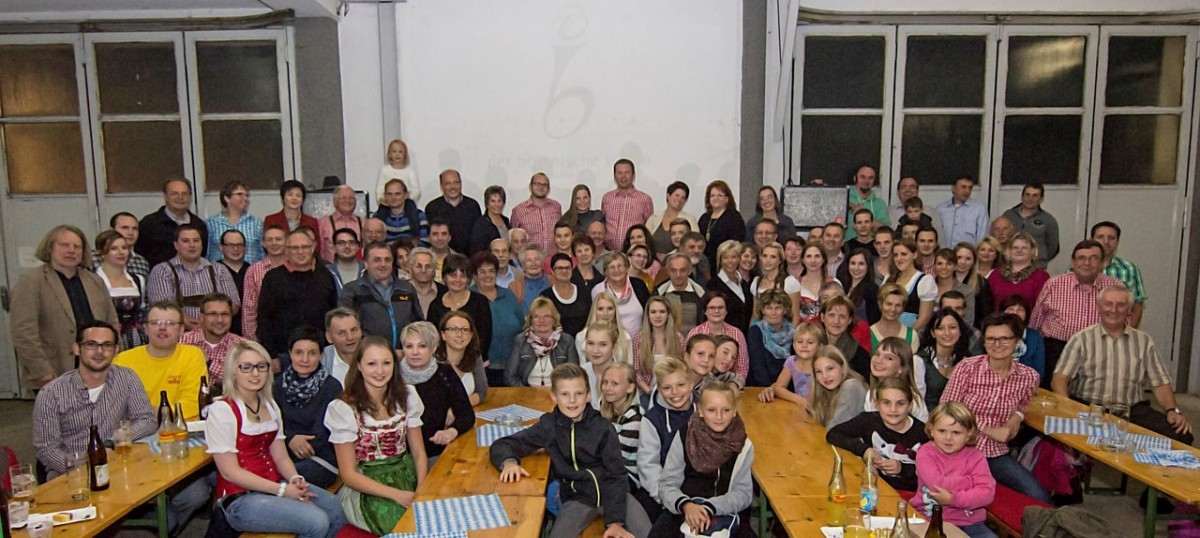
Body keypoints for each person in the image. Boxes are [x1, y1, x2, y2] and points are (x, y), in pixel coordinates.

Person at [206, 340, 347, 538]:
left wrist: (295, 478)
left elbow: (280, 457)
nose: (255, 373)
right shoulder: (222, 410)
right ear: (233, 372)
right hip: (239, 498)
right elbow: (230, 473)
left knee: (336, 509)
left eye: (261, 366)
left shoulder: (270, 406)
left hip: (274, 485)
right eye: (246, 367)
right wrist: (281, 490)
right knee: (317, 521)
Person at [491, 363, 651, 538]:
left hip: (616, 495)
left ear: (588, 395)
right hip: (578, 498)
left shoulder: (603, 428)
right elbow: (504, 444)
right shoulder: (549, 426)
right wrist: (509, 463)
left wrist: (615, 522)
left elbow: (617, 475)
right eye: (565, 394)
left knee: (649, 534)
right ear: (554, 396)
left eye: (579, 393)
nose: (572, 400)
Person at [114, 302, 211, 531]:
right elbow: (116, 410)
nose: (162, 328)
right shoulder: (123, 361)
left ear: (182, 330)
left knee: (195, 496)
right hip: (136, 441)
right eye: (155, 322)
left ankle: (166, 526)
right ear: (145, 328)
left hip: (180, 439)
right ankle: (159, 521)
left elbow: (189, 409)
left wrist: (144, 411)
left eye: (170, 323)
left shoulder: (192, 355)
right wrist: (155, 415)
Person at [1052, 286, 1193, 444]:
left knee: (1182, 436)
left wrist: (1172, 410)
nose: (1114, 310)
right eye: (1108, 304)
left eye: (1120, 305)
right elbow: (1059, 378)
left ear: (1129, 310)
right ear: (1099, 307)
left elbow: (1160, 382)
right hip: (1090, 408)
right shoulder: (1081, 339)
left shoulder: (1144, 341)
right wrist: (1067, 407)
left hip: (1132, 410)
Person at [325, 335, 428, 534]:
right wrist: (397, 495)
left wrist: (422, 488)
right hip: (367, 486)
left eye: (386, 363)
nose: (380, 371)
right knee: (404, 526)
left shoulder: (406, 397)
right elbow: (348, 474)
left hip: (407, 473)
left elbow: (418, 452)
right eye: (372, 364)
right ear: (359, 366)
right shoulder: (344, 408)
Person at [942, 312, 1048, 502]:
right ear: (984, 342)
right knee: (963, 497)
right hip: (960, 449)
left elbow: (1024, 404)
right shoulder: (967, 367)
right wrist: (988, 430)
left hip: (995, 453)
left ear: (1017, 341)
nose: (997, 344)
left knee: (1039, 497)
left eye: (1004, 339)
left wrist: (1017, 416)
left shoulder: (1029, 377)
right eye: (991, 339)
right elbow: (946, 410)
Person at [33, 320, 157, 477]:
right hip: (71, 474)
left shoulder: (127, 378)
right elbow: (47, 450)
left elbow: (147, 420)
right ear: (77, 349)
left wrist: (113, 442)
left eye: (107, 345)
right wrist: (87, 465)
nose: (99, 351)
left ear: (116, 350)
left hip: (119, 464)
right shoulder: (51, 394)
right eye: (91, 344)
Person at [12, 226, 118, 388]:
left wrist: (114, 360)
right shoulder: (32, 281)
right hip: (53, 371)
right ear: (50, 248)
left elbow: (112, 322)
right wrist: (41, 370)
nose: (71, 250)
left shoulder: (95, 281)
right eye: (64, 245)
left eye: (77, 246)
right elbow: (23, 332)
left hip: (96, 369)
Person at [652, 380, 755, 538]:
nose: (719, 416)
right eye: (711, 410)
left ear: (734, 411)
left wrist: (709, 507)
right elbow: (667, 483)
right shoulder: (685, 436)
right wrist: (686, 505)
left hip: (725, 511)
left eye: (726, 410)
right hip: (685, 508)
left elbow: (743, 493)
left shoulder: (743, 445)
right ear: (700, 410)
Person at [1029, 240, 1122, 384]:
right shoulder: (1054, 284)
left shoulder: (1115, 287)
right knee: (1055, 393)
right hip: (1056, 351)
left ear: (1103, 262)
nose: (1087, 263)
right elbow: (1036, 321)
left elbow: (1124, 323)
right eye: (1081, 258)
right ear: (1073, 262)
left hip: (1098, 351)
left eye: (1093, 258)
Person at [911, 402, 997, 538]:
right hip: (930, 518)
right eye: (942, 431)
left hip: (971, 522)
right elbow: (937, 485)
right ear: (932, 430)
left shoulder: (976, 456)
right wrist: (970, 482)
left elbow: (987, 494)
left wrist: (952, 499)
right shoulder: (925, 453)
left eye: (956, 432)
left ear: (969, 434)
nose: (948, 438)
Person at [827, 377, 926, 493]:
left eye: (900, 404)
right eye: (886, 403)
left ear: (909, 406)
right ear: (877, 404)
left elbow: (931, 472)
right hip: (873, 487)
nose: (893, 409)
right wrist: (864, 450)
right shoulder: (869, 421)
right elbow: (834, 434)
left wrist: (902, 469)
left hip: (910, 493)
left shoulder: (923, 433)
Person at [398, 322, 475, 465]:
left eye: (422, 346)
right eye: (409, 346)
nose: (415, 352)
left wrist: (451, 432)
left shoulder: (445, 373)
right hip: (399, 459)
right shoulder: (392, 376)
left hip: (436, 453)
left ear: (434, 348)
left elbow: (466, 414)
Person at [258, 229, 337, 361]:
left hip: (321, 353)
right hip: (284, 354)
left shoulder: (325, 275)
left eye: (305, 247)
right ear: (286, 250)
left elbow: (332, 314)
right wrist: (271, 355)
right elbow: (264, 319)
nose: (300, 251)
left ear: (313, 248)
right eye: (295, 248)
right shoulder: (273, 278)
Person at [146, 224, 240, 331]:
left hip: (216, 334)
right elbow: (162, 307)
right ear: (176, 245)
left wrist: (213, 323)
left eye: (196, 240)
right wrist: (191, 325)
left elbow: (234, 304)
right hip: (178, 336)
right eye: (185, 241)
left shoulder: (219, 269)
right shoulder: (162, 271)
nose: (192, 245)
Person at [637, 357, 696, 521]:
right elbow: (648, 466)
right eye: (667, 388)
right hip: (664, 492)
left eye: (681, 385)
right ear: (659, 389)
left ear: (691, 384)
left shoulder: (704, 409)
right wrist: (670, 499)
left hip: (699, 488)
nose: (675, 392)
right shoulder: (652, 420)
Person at [339, 241, 422, 349]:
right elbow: (346, 327)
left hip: (404, 354)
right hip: (369, 354)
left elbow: (419, 324)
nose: (383, 264)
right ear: (366, 263)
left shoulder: (407, 289)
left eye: (387, 260)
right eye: (377, 260)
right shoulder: (352, 290)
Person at [471, 251, 524, 388]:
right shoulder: (470, 298)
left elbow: (522, 326)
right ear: (475, 276)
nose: (488, 275)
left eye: (491, 271)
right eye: (482, 272)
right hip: (481, 368)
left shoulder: (508, 295)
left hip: (512, 366)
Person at [427, 253, 493, 361]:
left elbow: (485, 338)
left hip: (474, 362)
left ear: (468, 279)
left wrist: (464, 360)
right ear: (444, 277)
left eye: (463, 276)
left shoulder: (480, 302)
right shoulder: (435, 305)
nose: (458, 280)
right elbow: (432, 338)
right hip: (442, 363)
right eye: (453, 275)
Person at [506, 296, 580, 387]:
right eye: (536, 316)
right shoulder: (520, 340)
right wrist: (526, 392)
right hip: (526, 391)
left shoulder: (567, 341)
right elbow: (510, 376)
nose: (542, 320)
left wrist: (560, 392)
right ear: (530, 320)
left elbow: (574, 375)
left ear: (554, 319)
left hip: (559, 392)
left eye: (547, 316)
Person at [94, 230, 148, 351]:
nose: (121, 252)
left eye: (124, 248)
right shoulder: (94, 279)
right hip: (106, 340)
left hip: (137, 339)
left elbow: (143, 313)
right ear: (102, 253)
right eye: (114, 248)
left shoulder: (138, 280)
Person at [139, 177, 209, 267]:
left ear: (190, 197)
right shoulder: (149, 224)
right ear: (165, 197)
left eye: (184, 194)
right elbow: (140, 254)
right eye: (174, 194)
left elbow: (202, 254)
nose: (180, 197)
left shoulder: (199, 225)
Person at [1091, 221, 1148, 327]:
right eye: (1100, 237)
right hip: (1083, 333)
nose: (1106, 242)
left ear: (1117, 241)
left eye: (1111, 238)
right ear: (1092, 240)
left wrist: (1128, 333)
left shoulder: (1129, 269)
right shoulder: (1077, 269)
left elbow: (1137, 306)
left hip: (1117, 332)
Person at [179, 293, 246, 384]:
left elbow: (242, 379)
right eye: (213, 314)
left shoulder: (241, 345)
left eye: (225, 314)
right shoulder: (183, 341)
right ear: (202, 318)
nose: (219, 320)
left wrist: (209, 363)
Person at [687, 292, 750, 380]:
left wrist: (734, 384)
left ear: (726, 311)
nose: (716, 311)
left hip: (729, 382)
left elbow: (742, 369)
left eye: (720, 307)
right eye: (712, 308)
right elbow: (687, 363)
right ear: (705, 311)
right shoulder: (695, 333)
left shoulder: (737, 334)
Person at [599, 362, 642, 489]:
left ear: (630, 388)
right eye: (605, 382)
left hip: (627, 475)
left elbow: (617, 457)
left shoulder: (635, 417)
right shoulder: (603, 407)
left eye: (614, 384)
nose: (607, 388)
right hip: (605, 468)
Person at [240, 224, 287, 340]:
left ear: (287, 242)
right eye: (269, 240)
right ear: (263, 243)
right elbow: (249, 308)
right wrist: (253, 339)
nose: (274, 243)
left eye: (278, 239)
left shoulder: (296, 267)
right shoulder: (253, 270)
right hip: (265, 335)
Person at [917, 309, 970, 409]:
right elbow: (917, 402)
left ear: (960, 331)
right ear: (932, 333)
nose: (947, 333)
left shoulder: (966, 362)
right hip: (926, 416)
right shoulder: (919, 360)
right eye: (940, 328)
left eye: (952, 327)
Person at [865, 336, 928, 420]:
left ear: (902, 367)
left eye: (889, 358)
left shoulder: (914, 399)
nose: (878, 361)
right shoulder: (871, 394)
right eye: (877, 354)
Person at [591, 252, 651, 337]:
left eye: (619, 266)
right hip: (610, 340)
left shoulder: (638, 285)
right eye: (612, 267)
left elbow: (649, 311)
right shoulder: (598, 290)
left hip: (639, 340)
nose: (616, 270)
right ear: (606, 272)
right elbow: (594, 319)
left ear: (627, 268)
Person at [632, 296, 684, 394]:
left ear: (668, 314)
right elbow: (636, 372)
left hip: (672, 390)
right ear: (648, 315)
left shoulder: (678, 339)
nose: (658, 316)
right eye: (653, 312)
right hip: (646, 392)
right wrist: (649, 391)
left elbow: (682, 369)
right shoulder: (638, 339)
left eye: (662, 312)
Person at [987, 232, 1048, 315]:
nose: (1019, 250)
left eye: (1024, 248)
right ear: (1008, 251)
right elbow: (988, 305)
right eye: (1015, 247)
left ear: (1033, 251)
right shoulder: (995, 274)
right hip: (998, 322)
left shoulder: (1041, 276)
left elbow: (1042, 309)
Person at [423, 169, 480, 255]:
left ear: (461, 184)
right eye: (448, 184)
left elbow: (477, 236)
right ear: (441, 186)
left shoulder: (473, 206)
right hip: (441, 258)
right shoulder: (432, 208)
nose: (453, 187)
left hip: (469, 257)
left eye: (456, 183)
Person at [602, 158, 655, 252]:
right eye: (619, 173)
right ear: (614, 176)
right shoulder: (607, 198)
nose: (623, 176)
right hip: (610, 253)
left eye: (627, 172)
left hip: (634, 254)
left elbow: (648, 228)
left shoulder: (645, 199)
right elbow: (603, 225)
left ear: (633, 176)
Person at [436, 311, 488, 405]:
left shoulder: (475, 356)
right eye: (453, 329)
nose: (459, 334)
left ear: (471, 335)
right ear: (443, 335)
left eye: (465, 330)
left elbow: (482, 392)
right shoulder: (432, 361)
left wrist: (461, 407)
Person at [883, 238, 936, 331]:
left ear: (915, 255)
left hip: (913, 334)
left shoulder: (925, 280)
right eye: (895, 255)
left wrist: (907, 335)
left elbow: (924, 318)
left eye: (903, 254)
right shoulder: (888, 278)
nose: (899, 258)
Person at [206, 180, 264, 263]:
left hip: (250, 270)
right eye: (239, 194)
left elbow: (262, 254)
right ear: (227, 198)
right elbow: (206, 254)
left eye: (246, 195)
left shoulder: (257, 223)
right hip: (219, 270)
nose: (245, 198)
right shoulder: (211, 223)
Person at [810, 345, 867, 428]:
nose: (825, 376)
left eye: (830, 369)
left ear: (843, 367)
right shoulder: (825, 391)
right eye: (819, 371)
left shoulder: (851, 387)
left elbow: (835, 429)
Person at [747, 289, 795, 387]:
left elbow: (794, 366)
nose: (773, 312)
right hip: (761, 387)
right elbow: (757, 366)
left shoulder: (793, 332)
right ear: (763, 310)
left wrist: (782, 389)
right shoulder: (755, 331)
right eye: (769, 308)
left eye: (778, 308)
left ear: (785, 310)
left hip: (786, 387)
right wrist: (771, 388)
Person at [1002, 183, 1060, 265]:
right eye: (1027, 195)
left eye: (1035, 196)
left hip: (1036, 266)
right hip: (1009, 265)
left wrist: (1039, 258)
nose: (1030, 199)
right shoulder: (1008, 215)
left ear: (1041, 199)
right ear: (1022, 197)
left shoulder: (1048, 220)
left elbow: (1053, 247)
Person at [575, 291, 634, 369]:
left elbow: (629, 366)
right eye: (600, 309)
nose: (605, 313)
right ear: (594, 311)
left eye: (610, 308)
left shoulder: (625, 336)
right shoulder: (581, 336)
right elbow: (582, 366)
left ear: (615, 311)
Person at [697, 180, 745, 273]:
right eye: (712, 195)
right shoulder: (704, 218)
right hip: (705, 266)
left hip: (726, 264)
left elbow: (737, 242)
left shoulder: (734, 217)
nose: (716, 198)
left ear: (727, 199)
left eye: (720, 195)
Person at [820, 295, 872, 380]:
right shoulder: (811, 345)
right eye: (831, 315)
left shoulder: (860, 356)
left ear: (849, 320)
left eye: (842, 316)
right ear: (822, 317)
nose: (836, 321)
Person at [510, 172, 563, 254]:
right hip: (530, 259)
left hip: (553, 258)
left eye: (544, 185)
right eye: (537, 184)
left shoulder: (556, 207)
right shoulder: (519, 210)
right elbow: (513, 238)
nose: (541, 187)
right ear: (530, 186)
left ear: (549, 188)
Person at [655, 252, 705, 336]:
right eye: (673, 270)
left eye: (682, 270)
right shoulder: (658, 294)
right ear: (668, 271)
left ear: (689, 271)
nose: (678, 275)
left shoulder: (701, 294)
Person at [542, 253, 591, 336]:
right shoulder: (546, 296)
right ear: (552, 272)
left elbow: (590, 318)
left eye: (567, 268)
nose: (564, 271)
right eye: (560, 268)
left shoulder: (584, 291)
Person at [998, 295, 1046, 381]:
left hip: (1026, 382)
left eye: (1020, 310)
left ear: (1026, 314)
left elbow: (1039, 372)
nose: (1015, 313)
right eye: (1010, 309)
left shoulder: (1035, 337)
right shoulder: (994, 333)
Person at [647, 181, 699, 258]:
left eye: (683, 198)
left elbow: (695, 243)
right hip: (653, 261)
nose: (679, 199)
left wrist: (667, 257)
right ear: (668, 196)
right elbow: (645, 241)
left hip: (678, 261)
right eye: (677, 195)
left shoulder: (690, 219)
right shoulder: (654, 218)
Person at [936, 176, 990, 248]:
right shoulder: (941, 209)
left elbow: (982, 237)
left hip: (968, 253)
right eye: (963, 187)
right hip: (945, 253)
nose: (967, 191)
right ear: (953, 188)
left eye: (970, 188)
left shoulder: (979, 209)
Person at [317, 185, 364, 263]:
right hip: (330, 268)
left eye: (351, 198)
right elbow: (319, 251)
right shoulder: (323, 223)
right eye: (343, 198)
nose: (347, 201)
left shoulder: (364, 223)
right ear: (334, 201)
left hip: (359, 268)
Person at [375, 178, 428, 245]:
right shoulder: (377, 217)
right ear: (385, 196)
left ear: (406, 195)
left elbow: (424, 242)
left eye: (397, 194)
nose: (393, 198)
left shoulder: (419, 216)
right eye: (389, 194)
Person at [871, 284, 921, 354]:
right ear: (880, 304)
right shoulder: (868, 334)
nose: (893, 309)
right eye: (889, 304)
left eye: (898, 305)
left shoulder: (912, 335)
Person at [216, 230, 249, 333]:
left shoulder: (253, 271)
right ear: (221, 247)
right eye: (231, 245)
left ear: (246, 248)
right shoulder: (213, 271)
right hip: (221, 330)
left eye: (239, 245)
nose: (236, 249)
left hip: (249, 331)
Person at [954, 242, 993, 328]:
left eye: (968, 259)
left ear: (974, 262)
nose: (963, 262)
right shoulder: (944, 279)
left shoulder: (982, 283)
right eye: (959, 257)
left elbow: (987, 314)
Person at [320, 307, 362, 388]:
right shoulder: (320, 361)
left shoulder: (374, 355)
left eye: (353, 330)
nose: (350, 337)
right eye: (341, 333)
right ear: (329, 337)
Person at [932, 248, 976, 327]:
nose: (944, 267)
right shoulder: (927, 287)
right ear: (934, 266)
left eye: (949, 264)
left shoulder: (966, 291)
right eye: (939, 263)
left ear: (955, 266)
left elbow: (968, 321)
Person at [837, 249, 880, 325]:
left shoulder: (872, 290)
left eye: (861, 264)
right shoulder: (842, 286)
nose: (856, 268)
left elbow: (873, 321)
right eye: (853, 263)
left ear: (868, 266)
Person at [845, 165, 890, 237]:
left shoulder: (880, 204)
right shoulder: (844, 198)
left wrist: (862, 214)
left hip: (872, 243)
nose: (866, 181)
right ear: (855, 178)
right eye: (862, 177)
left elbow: (885, 231)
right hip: (846, 243)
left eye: (870, 178)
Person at [468, 185, 510, 256]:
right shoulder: (480, 224)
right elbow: (477, 251)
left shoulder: (506, 221)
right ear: (487, 203)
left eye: (499, 201)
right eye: (493, 201)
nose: (497, 204)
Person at [325, 228, 365, 293]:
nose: (347, 246)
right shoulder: (325, 272)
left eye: (351, 242)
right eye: (341, 243)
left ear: (358, 247)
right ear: (334, 248)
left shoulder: (368, 270)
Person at [518, 245, 551, 312]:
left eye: (537, 259)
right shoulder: (514, 287)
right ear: (523, 266)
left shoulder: (553, 282)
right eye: (529, 260)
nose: (533, 263)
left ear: (542, 263)